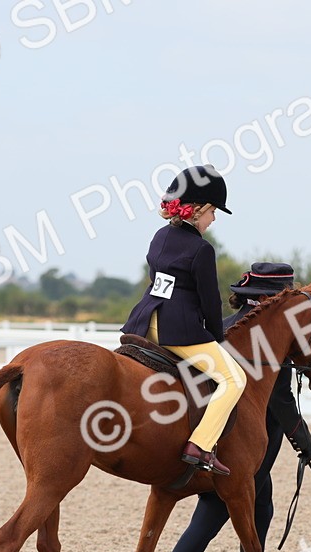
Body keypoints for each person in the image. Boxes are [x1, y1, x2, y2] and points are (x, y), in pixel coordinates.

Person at [142, 262, 311, 552]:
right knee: (215, 513)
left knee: (262, 508)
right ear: (271, 298)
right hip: (242, 444)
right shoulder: (265, 335)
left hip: (217, 434)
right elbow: (281, 399)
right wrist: (302, 438)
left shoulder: (224, 327)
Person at [123, 165, 245, 476]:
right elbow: (209, 302)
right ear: (197, 210)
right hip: (178, 331)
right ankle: (200, 445)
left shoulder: (160, 236)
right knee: (234, 380)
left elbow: (160, 281)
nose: (214, 219)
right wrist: (218, 337)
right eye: (213, 212)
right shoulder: (202, 249)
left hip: (145, 320)